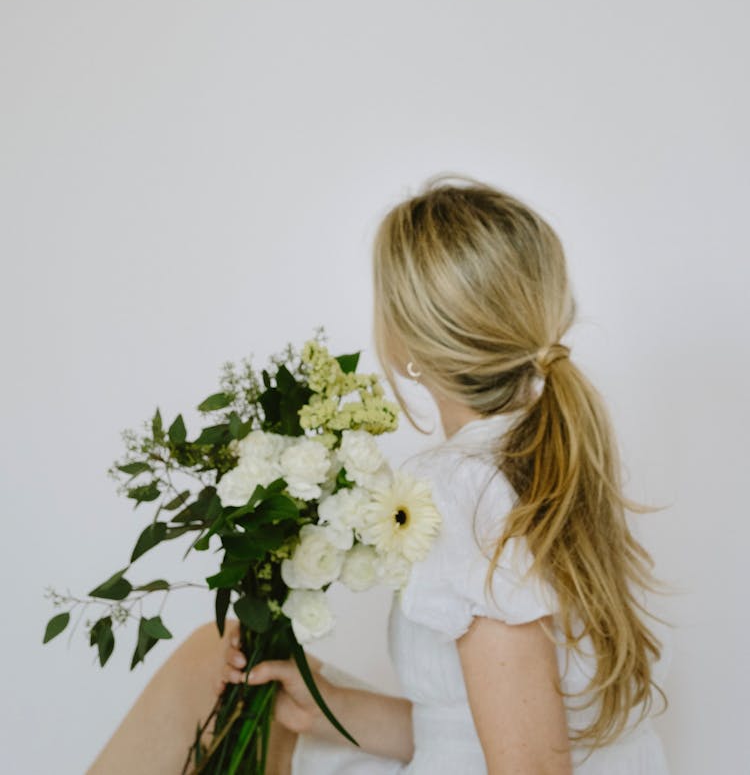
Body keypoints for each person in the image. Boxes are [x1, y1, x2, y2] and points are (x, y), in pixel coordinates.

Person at [89, 173, 671, 774]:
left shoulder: (459, 491)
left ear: (405, 342)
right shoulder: (560, 458)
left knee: (206, 663)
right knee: (220, 659)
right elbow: (477, 728)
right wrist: (331, 707)